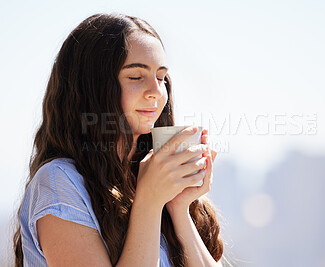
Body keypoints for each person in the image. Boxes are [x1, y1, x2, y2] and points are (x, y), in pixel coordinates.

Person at [13, 13, 227, 266]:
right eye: (136, 77)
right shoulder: (59, 182)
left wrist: (178, 207)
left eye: (161, 78)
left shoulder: (149, 182)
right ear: (92, 87)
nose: (156, 93)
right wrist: (149, 202)